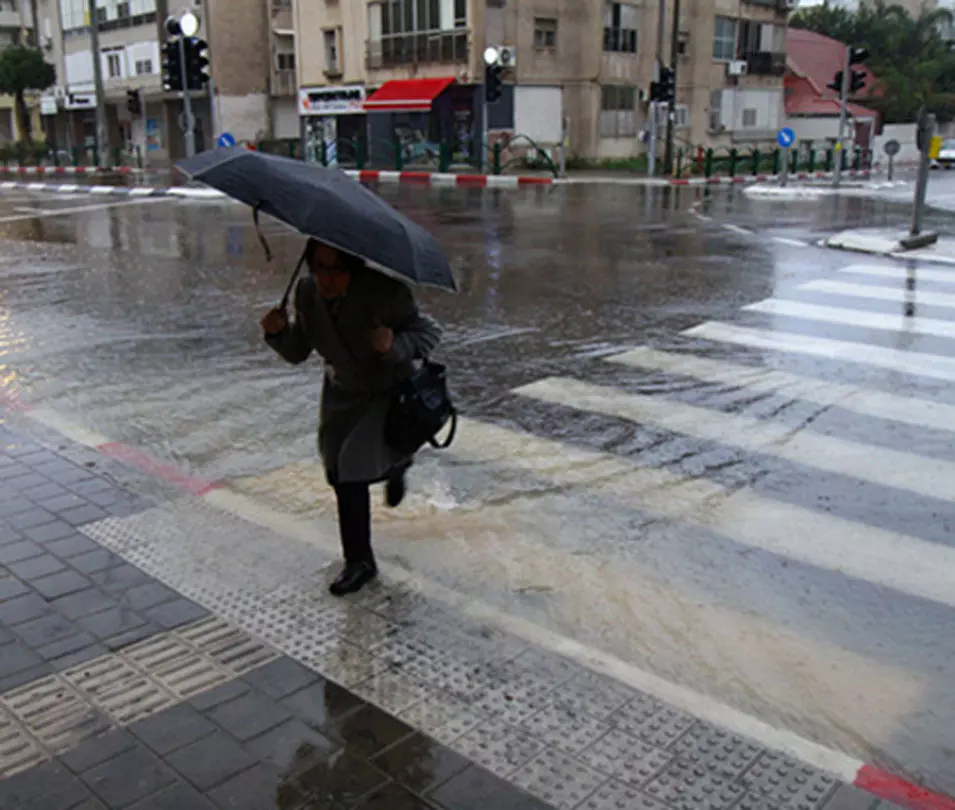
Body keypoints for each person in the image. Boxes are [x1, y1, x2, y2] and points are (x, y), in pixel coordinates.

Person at [260, 239, 442, 596]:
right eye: (320, 268)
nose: (327, 279)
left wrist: (394, 345)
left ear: (353, 268)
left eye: (337, 270)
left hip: (383, 393)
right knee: (335, 469)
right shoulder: (307, 291)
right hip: (340, 394)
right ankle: (396, 464)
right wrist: (277, 332)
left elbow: (429, 333)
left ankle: (360, 562)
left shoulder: (386, 293)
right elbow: (298, 350)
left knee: (350, 472)